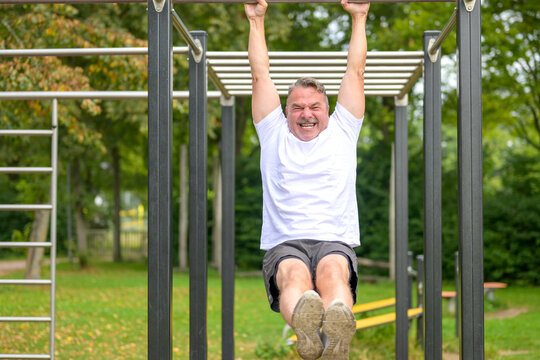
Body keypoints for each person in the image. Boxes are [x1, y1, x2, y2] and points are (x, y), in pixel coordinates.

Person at [245, 0, 370, 359]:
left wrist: (359, 17)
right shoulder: (272, 132)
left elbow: (355, 72)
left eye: (314, 106)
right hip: (286, 241)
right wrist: (256, 20)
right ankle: (306, 332)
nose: (306, 113)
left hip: (334, 238)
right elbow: (260, 75)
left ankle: (336, 338)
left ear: (328, 110)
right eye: (297, 107)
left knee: (333, 272)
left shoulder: (344, 130)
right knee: (293, 275)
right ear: (284, 112)